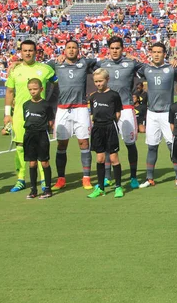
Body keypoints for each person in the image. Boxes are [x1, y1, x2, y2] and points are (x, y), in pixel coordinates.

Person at [4, 40, 57, 193]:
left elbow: (58, 83)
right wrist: (8, 114)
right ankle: (20, 179)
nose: (28, 53)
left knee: (41, 146)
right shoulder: (15, 70)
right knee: (20, 146)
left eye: (31, 50)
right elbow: (9, 92)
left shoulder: (45, 69)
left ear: (36, 52)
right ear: (20, 52)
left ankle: (42, 179)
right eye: (25, 50)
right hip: (20, 114)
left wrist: (51, 104)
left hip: (40, 114)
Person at [95, 37, 144, 189]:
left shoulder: (131, 63)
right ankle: (107, 177)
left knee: (130, 144)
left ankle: (134, 177)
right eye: (112, 48)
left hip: (126, 108)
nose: (115, 50)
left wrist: (136, 59)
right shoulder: (102, 64)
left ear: (122, 49)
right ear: (108, 49)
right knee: (107, 145)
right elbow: (83, 64)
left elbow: (148, 67)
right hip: (107, 109)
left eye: (118, 48)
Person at [47, 40, 95, 190]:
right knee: (62, 144)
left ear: (78, 50)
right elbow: (38, 67)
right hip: (62, 109)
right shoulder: (55, 64)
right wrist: (16, 63)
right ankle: (61, 179)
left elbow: (105, 63)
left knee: (84, 143)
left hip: (81, 108)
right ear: (64, 50)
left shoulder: (85, 63)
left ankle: (86, 178)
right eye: (69, 47)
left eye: (74, 48)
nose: (71, 50)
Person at [136, 42, 177, 188]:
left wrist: (176, 61)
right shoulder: (146, 69)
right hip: (151, 114)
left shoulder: (171, 68)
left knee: (172, 146)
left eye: (159, 52)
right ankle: (149, 178)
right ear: (151, 53)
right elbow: (134, 67)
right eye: (154, 52)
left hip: (167, 113)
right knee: (152, 146)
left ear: (165, 54)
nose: (156, 54)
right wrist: (130, 55)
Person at [87, 68, 124, 199]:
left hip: (110, 127)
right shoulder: (93, 96)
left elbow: (118, 113)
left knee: (113, 158)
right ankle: (100, 188)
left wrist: (111, 122)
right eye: (96, 81)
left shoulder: (114, 95)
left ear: (107, 80)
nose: (98, 84)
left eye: (100, 81)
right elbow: (92, 113)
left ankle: (118, 187)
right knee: (100, 158)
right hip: (97, 128)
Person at [22, 78, 55, 199]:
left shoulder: (46, 105)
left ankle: (47, 189)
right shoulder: (26, 105)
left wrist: (45, 128)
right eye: (30, 89)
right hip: (29, 135)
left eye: (35, 89)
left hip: (42, 135)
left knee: (44, 161)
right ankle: (33, 189)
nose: (32, 91)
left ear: (41, 89)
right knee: (32, 162)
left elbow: (51, 121)